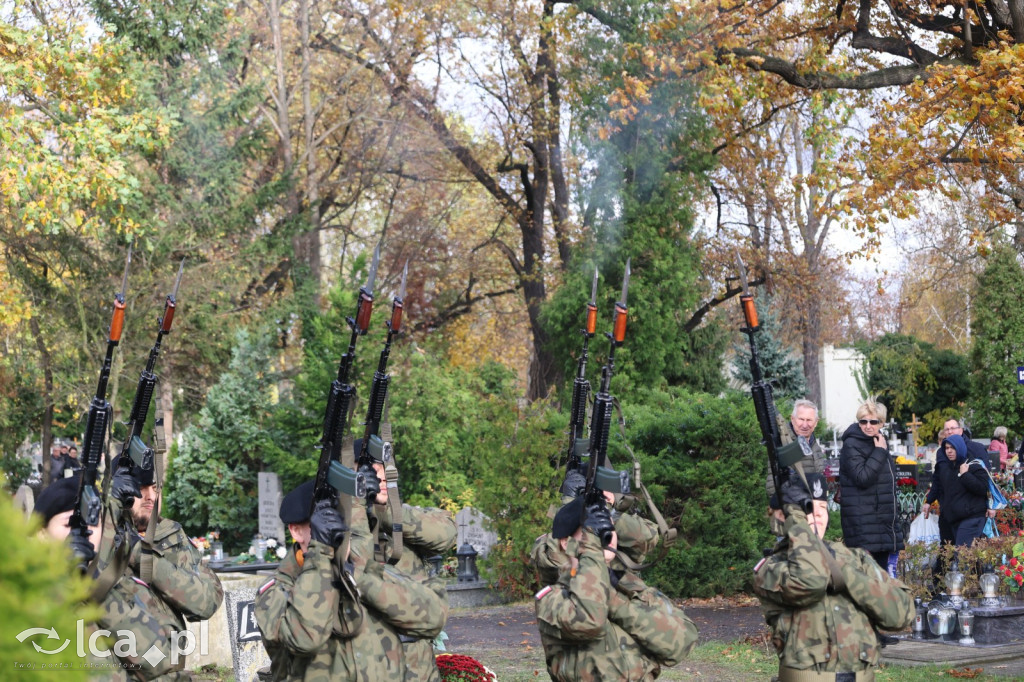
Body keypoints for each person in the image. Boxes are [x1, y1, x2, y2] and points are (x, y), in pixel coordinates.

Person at [755, 472, 914, 680]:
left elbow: (899, 615)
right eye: (809, 509)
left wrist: (844, 570)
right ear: (784, 517)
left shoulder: (856, 558)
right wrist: (799, 528)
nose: (819, 515)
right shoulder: (771, 567)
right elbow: (809, 583)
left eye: (823, 508)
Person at [256, 479, 409, 681]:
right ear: (296, 531)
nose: (337, 530)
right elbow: (306, 638)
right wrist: (320, 552)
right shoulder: (274, 591)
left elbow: (429, 618)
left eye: (340, 521)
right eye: (323, 524)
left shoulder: (359, 571)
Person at [532, 497, 696, 681]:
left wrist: (617, 598)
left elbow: (681, 643)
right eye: (592, 529)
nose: (605, 534)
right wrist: (592, 550)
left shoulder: (629, 585)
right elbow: (590, 620)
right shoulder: (552, 598)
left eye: (607, 527)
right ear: (565, 542)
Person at [357, 438, 455, 681]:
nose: (379, 478)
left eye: (384, 471)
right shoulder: (340, 526)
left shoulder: (403, 519)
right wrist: (358, 508)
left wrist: (386, 511)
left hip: (417, 668)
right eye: (369, 471)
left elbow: (446, 534)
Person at [126, 462, 223, 631]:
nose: (151, 496)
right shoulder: (100, 537)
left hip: (167, 652)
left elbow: (207, 602)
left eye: (155, 488)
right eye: (141, 488)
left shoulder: (171, 534)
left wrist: (140, 553)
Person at [839, 398, 904, 570]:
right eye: (863, 421)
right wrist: (879, 452)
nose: (868, 426)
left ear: (881, 423)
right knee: (871, 581)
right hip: (864, 524)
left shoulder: (878, 441)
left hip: (881, 523)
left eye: (873, 421)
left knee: (883, 579)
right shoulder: (852, 444)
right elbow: (862, 477)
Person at [923, 434, 989, 546]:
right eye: (947, 448)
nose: (949, 451)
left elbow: (983, 488)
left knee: (963, 555)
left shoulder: (973, 465)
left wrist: (966, 475)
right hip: (953, 518)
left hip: (971, 517)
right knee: (962, 556)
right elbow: (937, 484)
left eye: (953, 448)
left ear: (960, 448)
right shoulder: (944, 466)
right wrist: (929, 501)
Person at [766, 399, 827, 500]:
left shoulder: (815, 446)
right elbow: (772, 486)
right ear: (792, 419)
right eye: (801, 419)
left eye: (809, 420)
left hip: (813, 507)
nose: (804, 425)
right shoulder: (783, 444)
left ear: (816, 422)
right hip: (793, 509)